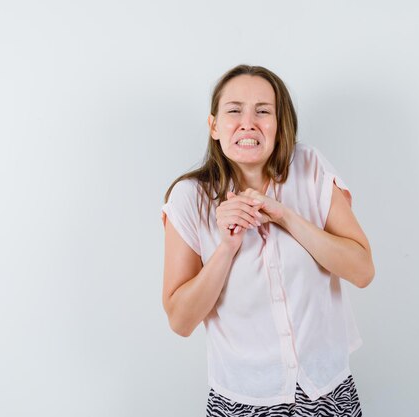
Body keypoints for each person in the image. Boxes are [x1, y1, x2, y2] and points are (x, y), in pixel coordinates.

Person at [161, 64, 375, 417]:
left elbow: (362, 271)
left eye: (263, 111)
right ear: (214, 126)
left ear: (279, 124)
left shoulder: (310, 168)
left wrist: (287, 217)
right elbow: (180, 321)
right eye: (234, 111)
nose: (248, 122)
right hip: (241, 399)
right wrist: (227, 248)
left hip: (327, 390)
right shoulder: (189, 198)